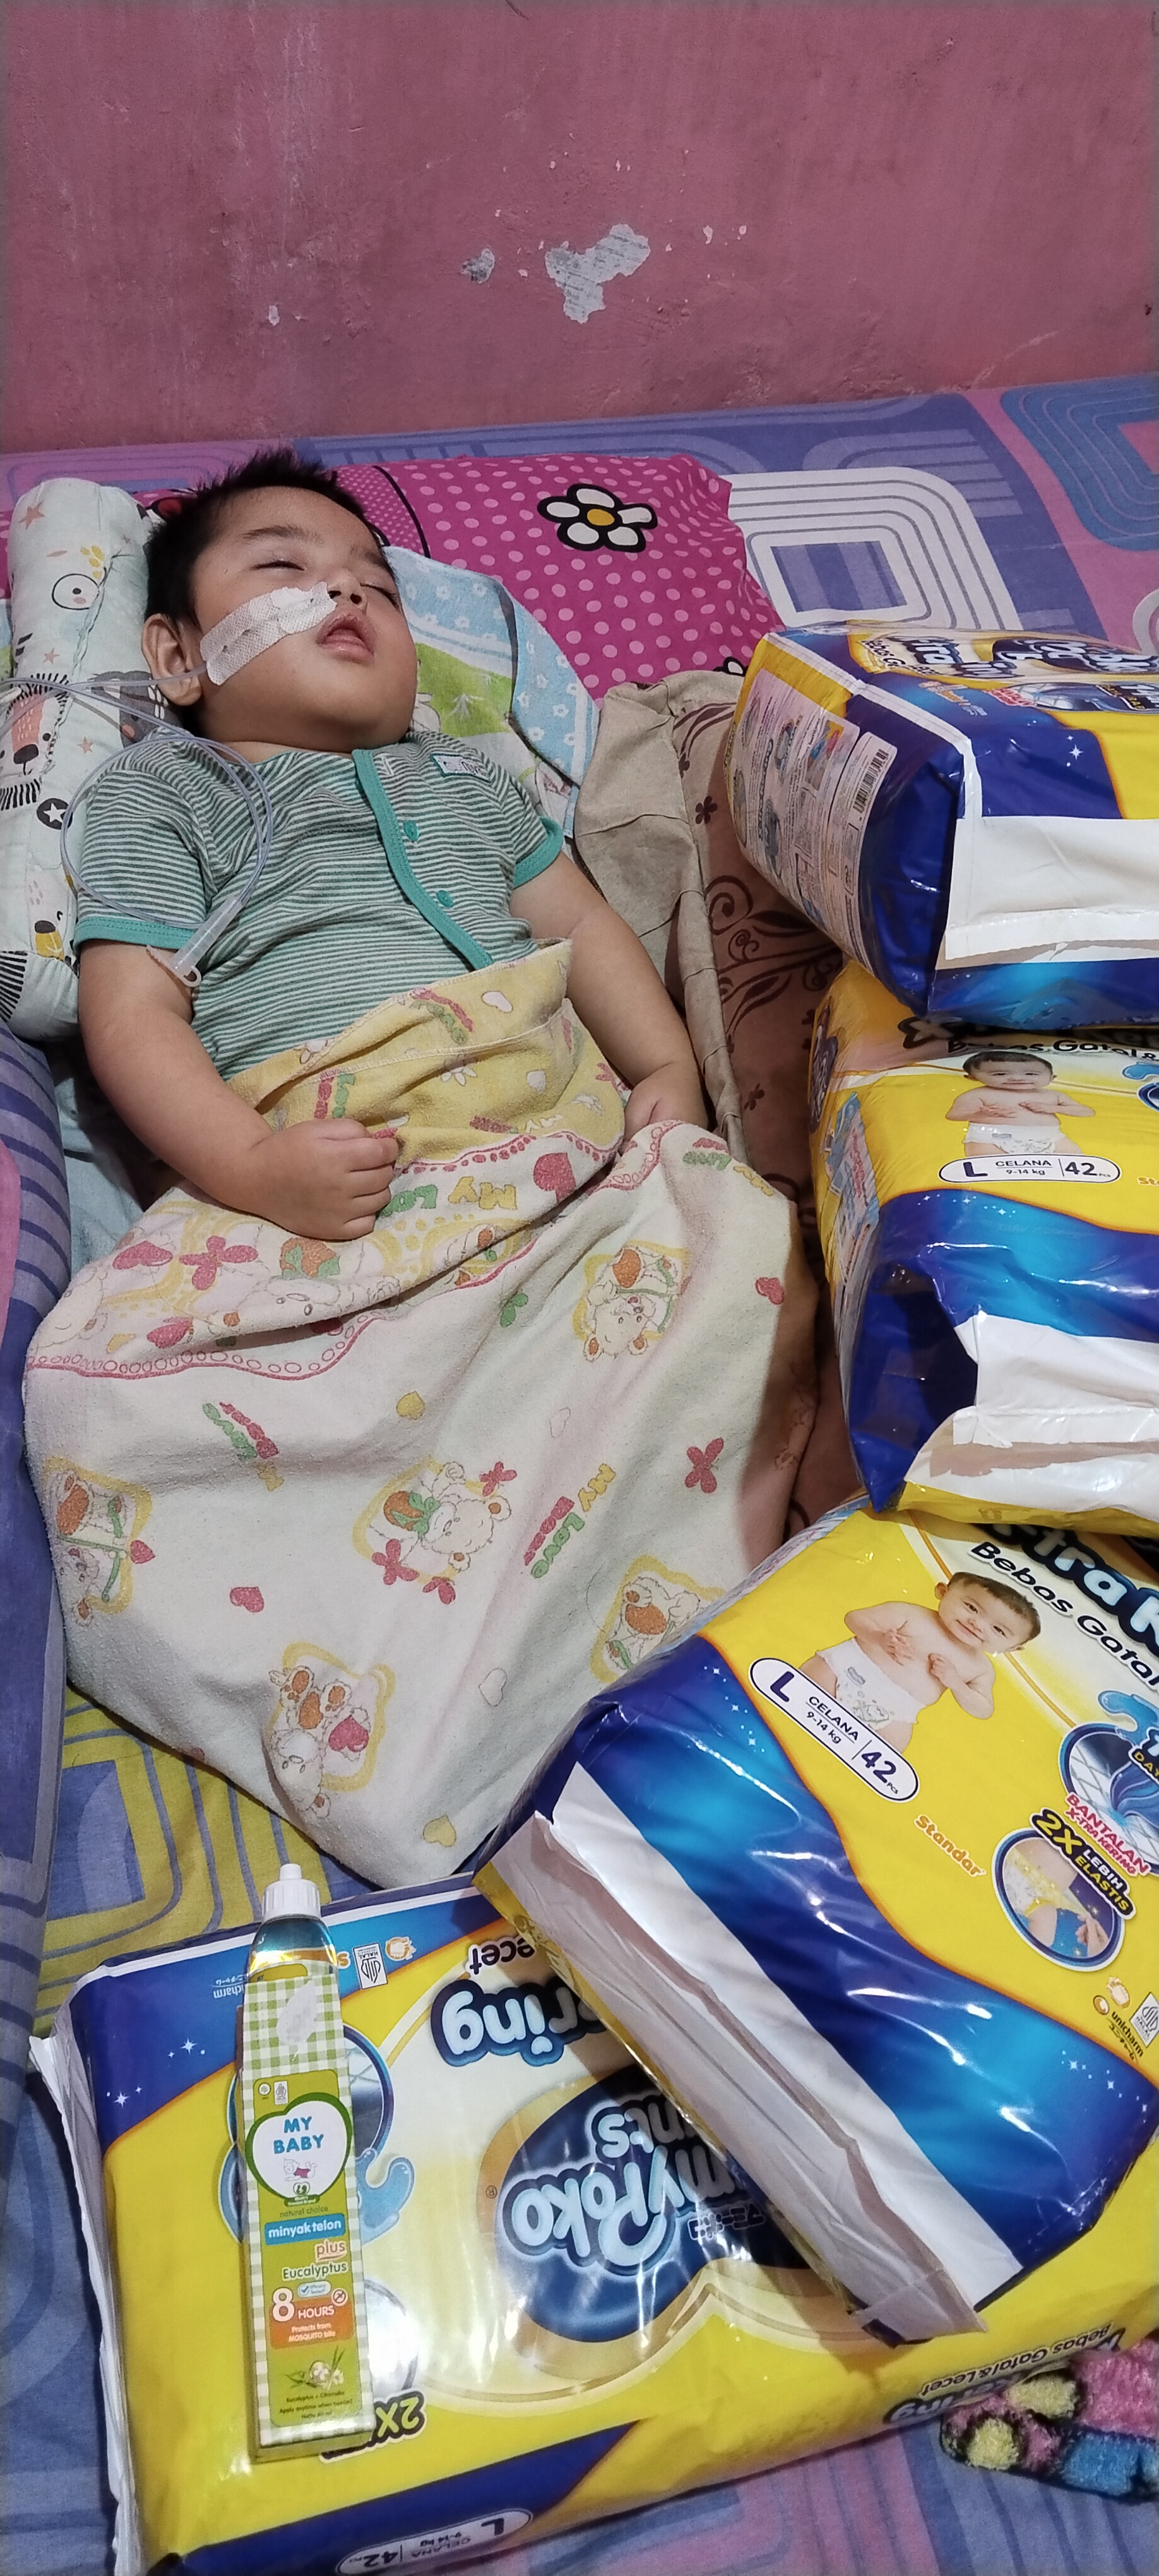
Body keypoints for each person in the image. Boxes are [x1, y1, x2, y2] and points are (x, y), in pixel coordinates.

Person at [74, 454, 706, 1242]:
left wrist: (666, 1066)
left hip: (564, 1133)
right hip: (333, 1164)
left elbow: (582, 929)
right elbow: (134, 1011)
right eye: (283, 567)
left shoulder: (467, 777)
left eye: (378, 588)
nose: (345, 590)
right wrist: (252, 1166)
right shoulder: (165, 790)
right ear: (179, 659)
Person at [800, 1571, 1040, 1754]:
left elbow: (983, 1709)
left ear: (1013, 1648)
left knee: (887, 1750)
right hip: (846, 1670)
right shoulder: (912, 1615)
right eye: (971, 1608)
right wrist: (878, 1637)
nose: (977, 1624)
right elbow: (855, 1618)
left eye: (998, 1630)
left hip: (896, 1712)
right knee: (802, 1694)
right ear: (943, 1591)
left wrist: (956, 1684)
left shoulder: (980, 1669)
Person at [945, 1049, 1093, 1159]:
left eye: (1031, 1074)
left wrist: (1052, 1108)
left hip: (1050, 1136)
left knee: (1074, 1158)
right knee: (987, 1164)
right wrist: (980, 1114)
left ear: (1051, 1078)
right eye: (1000, 1074)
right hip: (990, 1138)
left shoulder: (1053, 1095)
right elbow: (953, 1115)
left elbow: (1086, 1112)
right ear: (972, 1078)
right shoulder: (978, 1094)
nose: (1017, 1078)